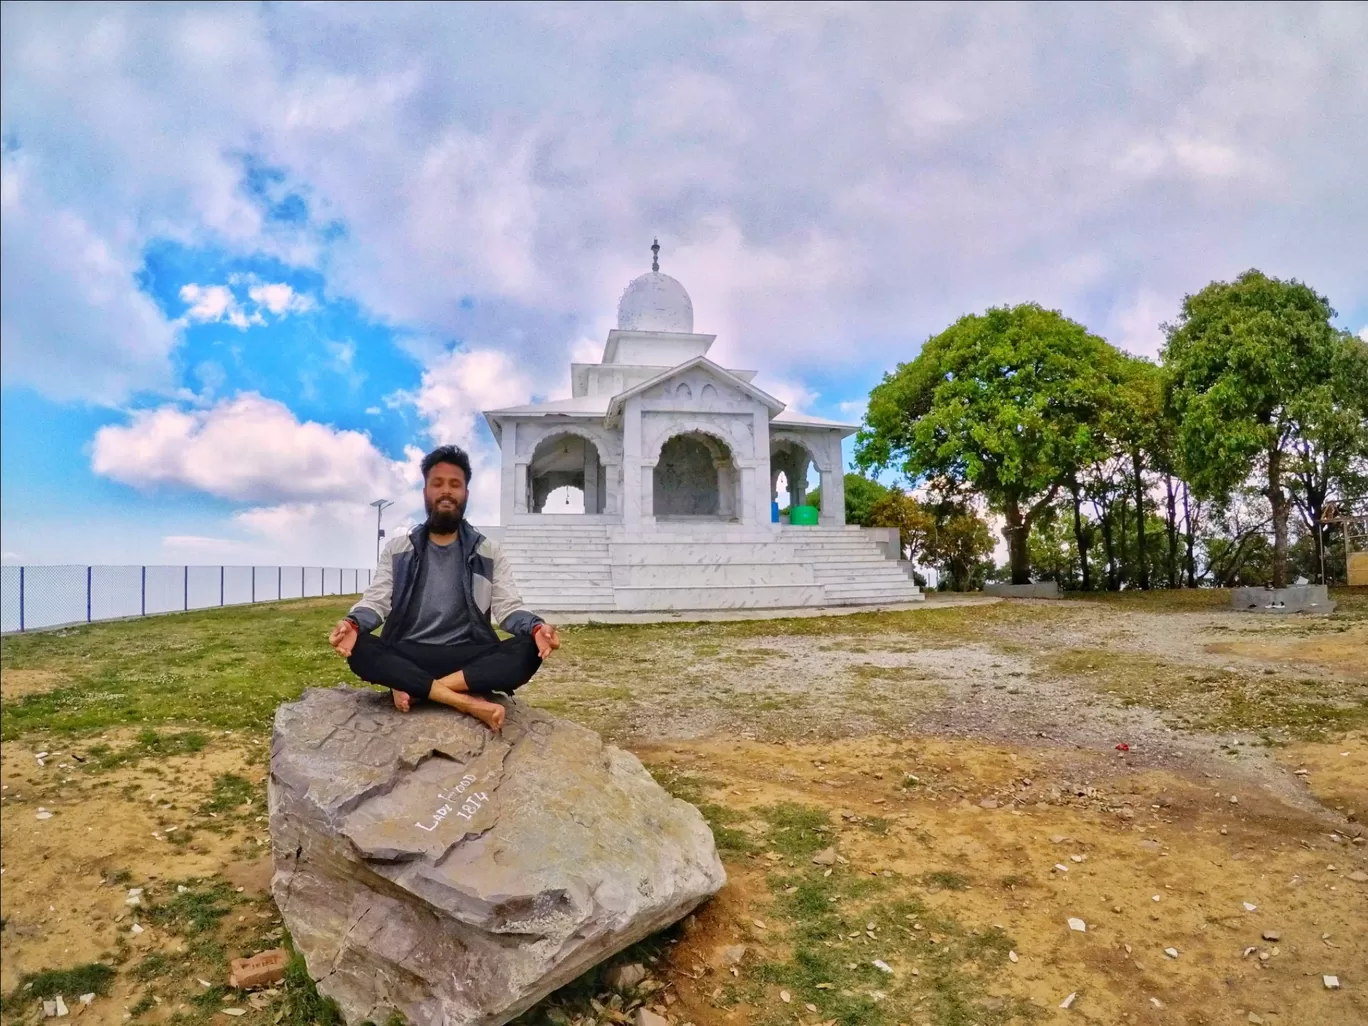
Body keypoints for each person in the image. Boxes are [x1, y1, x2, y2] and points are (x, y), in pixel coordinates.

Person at [328, 444, 560, 732]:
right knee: (359, 646)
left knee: (527, 650)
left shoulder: (487, 551)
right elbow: (376, 602)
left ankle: (421, 690)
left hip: (468, 655)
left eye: (455, 484)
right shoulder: (399, 549)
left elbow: (508, 607)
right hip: (409, 652)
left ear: (466, 493)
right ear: (426, 491)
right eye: (437, 484)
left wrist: (537, 629)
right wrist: (352, 623)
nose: (446, 491)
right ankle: (464, 700)